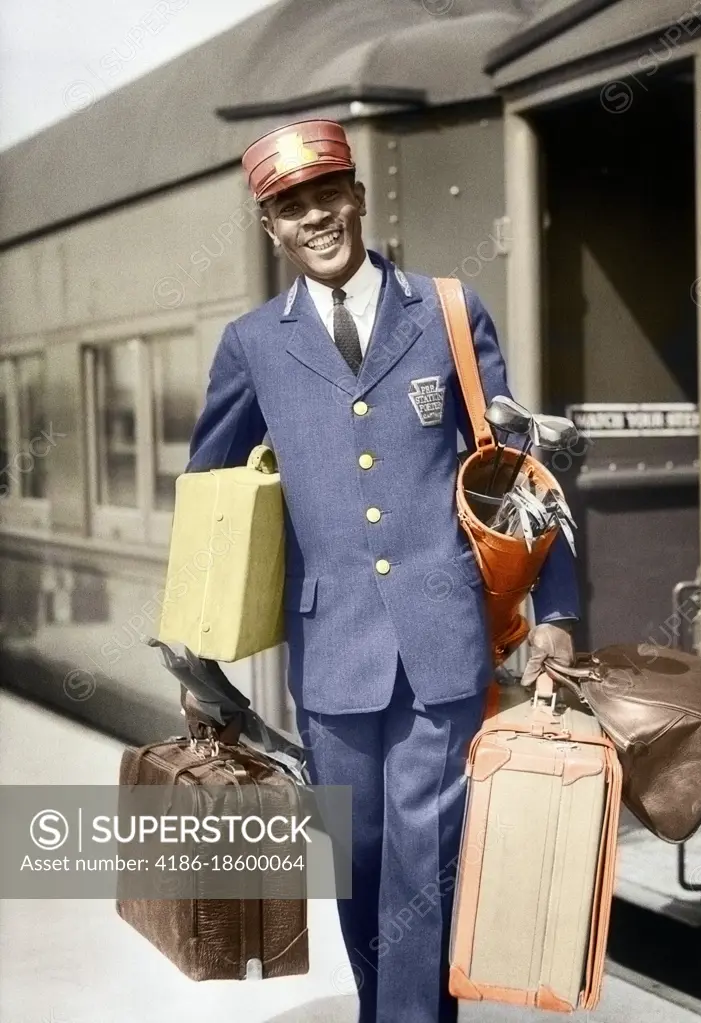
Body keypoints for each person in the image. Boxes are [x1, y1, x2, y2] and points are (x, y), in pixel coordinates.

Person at [186, 118, 579, 1023]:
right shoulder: (252, 344)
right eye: (291, 206)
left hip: (442, 637)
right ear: (269, 226)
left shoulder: (446, 310)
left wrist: (552, 607)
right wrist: (197, 655)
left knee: (424, 854)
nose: (315, 217)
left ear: (358, 196)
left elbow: (513, 467)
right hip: (331, 654)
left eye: (327, 195)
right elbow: (211, 500)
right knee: (358, 861)